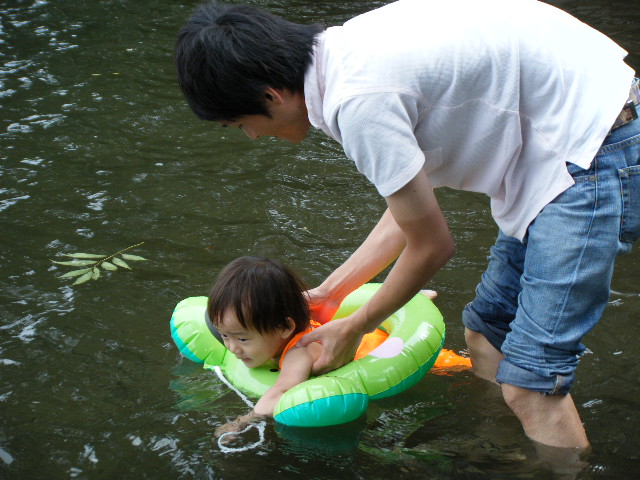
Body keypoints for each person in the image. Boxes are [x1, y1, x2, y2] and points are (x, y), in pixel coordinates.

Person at [175, 0, 640, 450]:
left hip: (593, 144)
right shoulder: (344, 57)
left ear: (271, 96)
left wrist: (356, 325)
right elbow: (407, 216)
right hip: (561, 134)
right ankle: (502, 444)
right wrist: (331, 293)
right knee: (486, 334)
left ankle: (562, 467)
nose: (253, 136)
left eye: (240, 124)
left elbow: (433, 245)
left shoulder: (357, 102)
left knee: (531, 384)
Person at [208, 256, 389, 437]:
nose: (232, 348)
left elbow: (284, 390)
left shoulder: (300, 350)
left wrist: (244, 421)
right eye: (225, 336)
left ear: (284, 327)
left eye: (242, 339)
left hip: (375, 354)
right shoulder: (280, 330)